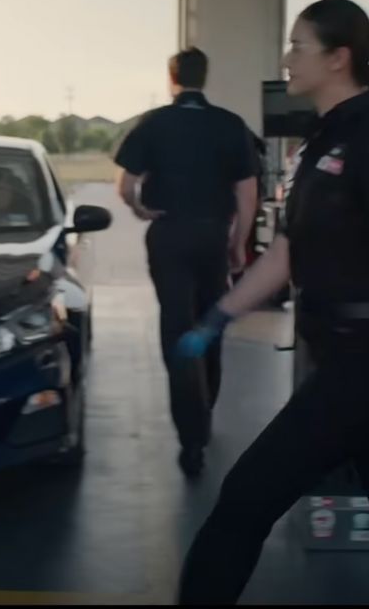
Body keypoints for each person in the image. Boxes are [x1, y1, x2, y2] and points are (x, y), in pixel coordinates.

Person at [173, 0, 369, 605]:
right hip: (349, 361)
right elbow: (285, 255)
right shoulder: (320, 143)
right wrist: (218, 317)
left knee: (247, 497)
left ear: (339, 58)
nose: (286, 58)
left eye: (298, 46)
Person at [113, 47, 259, 478]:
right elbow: (247, 193)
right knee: (211, 321)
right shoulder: (230, 125)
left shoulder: (154, 122)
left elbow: (125, 185)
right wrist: (238, 243)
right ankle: (206, 408)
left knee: (176, 328)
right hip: (213, 234)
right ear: (204, 77)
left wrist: (141, 211)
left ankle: (190, 439)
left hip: (169, 234)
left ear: (171, 78)